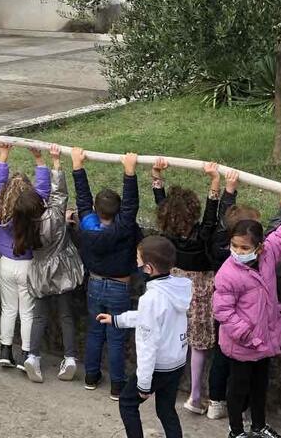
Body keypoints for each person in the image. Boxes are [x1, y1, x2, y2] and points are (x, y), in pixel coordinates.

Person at [212, 183, 281, 438]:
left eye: (244, 248)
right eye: (235, 246)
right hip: (242, 344)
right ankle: (236, 431)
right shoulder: (227, 274)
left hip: (265, 339)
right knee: (238, 388)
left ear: (259, 247)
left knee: (260, 386)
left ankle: (259, 426)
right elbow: (223, 311)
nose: (238, 252)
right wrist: (246, 334)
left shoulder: (268, 254)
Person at [205, 170, 281, 421]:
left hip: (232, 324)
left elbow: (216, 218)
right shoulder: (240, 261)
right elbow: (275, 232)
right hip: (242, 327)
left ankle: (215, 401)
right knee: (239, 377)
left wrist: (228, 190)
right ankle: (238, 417)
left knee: (221, 362)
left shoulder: (220, 242)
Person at [100, 235, 192, 438]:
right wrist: (117, 320)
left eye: (138, 260)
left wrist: (143, 383)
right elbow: (150, 318)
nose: (137, 264)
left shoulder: (151, 298)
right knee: (166, 410)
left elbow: (147, 344)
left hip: (158, 365)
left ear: (148, 268)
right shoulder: (177, 289)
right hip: (177, 361)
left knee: (127, 403)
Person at [152, 158, 221, 415]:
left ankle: (162, 385)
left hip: (175, 287)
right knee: (198, 344)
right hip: (201, 291)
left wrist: (157, 176)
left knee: (173, 337)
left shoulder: (168, 234)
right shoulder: (203, 235)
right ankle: (195, 395)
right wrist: (215, 180)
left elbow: (160, 202)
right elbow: (212, 215)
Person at [72, 149, 141, 399]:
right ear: (119, 211)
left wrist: (78, 167)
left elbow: (82, 200)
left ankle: (91, 376)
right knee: (116, 336)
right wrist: (129, 172)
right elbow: (131, 206)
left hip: (94, 284)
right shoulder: (124, 228)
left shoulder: (87, 225)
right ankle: (117, 386)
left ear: (95, 210)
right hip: (118, 288)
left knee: (95, 331)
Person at [26, 145, 84, 384]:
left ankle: (32, 356)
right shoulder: (54, 217)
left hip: (39, 271)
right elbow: (60, 195)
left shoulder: (22, 224)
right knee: (66, 316)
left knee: (39, 317)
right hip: (62, 271)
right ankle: (69, 358)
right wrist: (56, 162)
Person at [0, 145, 50, 373]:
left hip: (6, 264)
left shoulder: (0, 206)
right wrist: (39, 159)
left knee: (8, 308)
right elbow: (44, 189)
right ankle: (26, 353)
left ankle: (5, 351)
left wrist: (3, 156)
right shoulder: (33, 208)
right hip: (28, 265)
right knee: (27, 311)